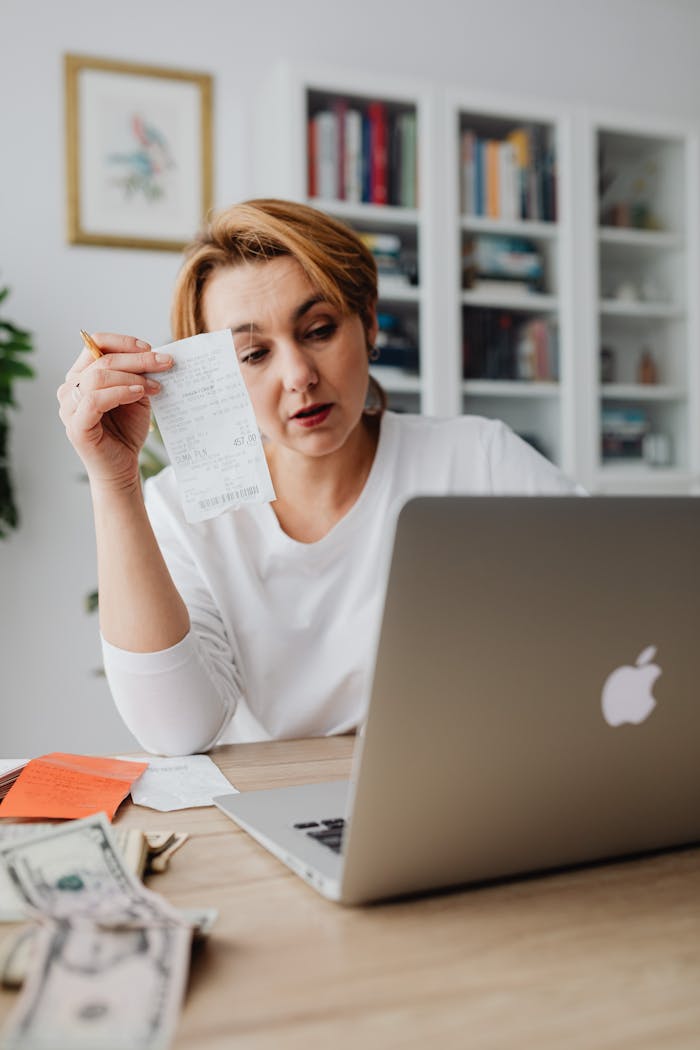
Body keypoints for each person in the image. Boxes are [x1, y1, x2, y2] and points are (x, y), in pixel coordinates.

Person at [58, 199, 581, 756]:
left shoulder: (478, 458)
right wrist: (114, 484)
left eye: (320, 329)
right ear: (215, 375)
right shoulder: (183, 513)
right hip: (269, 804)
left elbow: (615, 602)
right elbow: (176, 732)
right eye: (254, 353)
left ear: (370, 323)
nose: (299, 376)